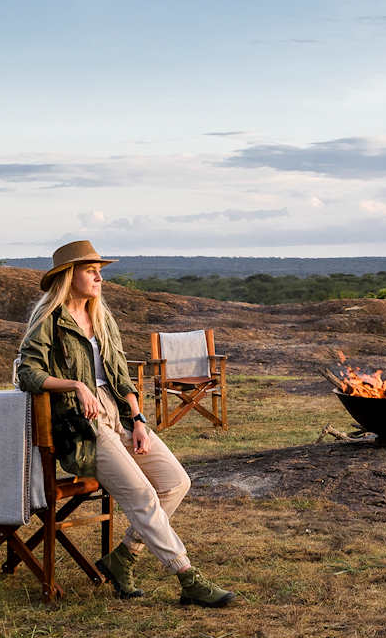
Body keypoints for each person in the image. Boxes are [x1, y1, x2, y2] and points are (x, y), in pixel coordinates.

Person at [16, 239, 234, 607]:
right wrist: (76, 385)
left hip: (118, 415)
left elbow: (121, 375)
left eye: (100, 269)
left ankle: (123, 557)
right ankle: (188, 577)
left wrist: (137, 418)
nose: (100, 276)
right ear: (70, 276)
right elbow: (27, 373)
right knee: (144, 496)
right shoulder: (49, 321)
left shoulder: (102, 317)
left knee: (176, 482)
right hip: (81, 426)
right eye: (90, 270)